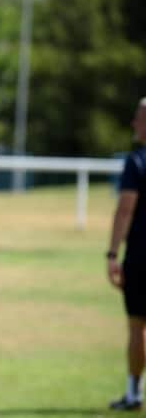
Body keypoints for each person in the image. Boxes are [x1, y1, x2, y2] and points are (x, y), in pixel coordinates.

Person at [107, 97, 146, 411]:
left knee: (137, 326)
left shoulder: (137, 162)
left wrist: (111, 254)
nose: (133, 123)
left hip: (141, 257)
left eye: (138, 118)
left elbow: (125, 210)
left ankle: (134, 393)